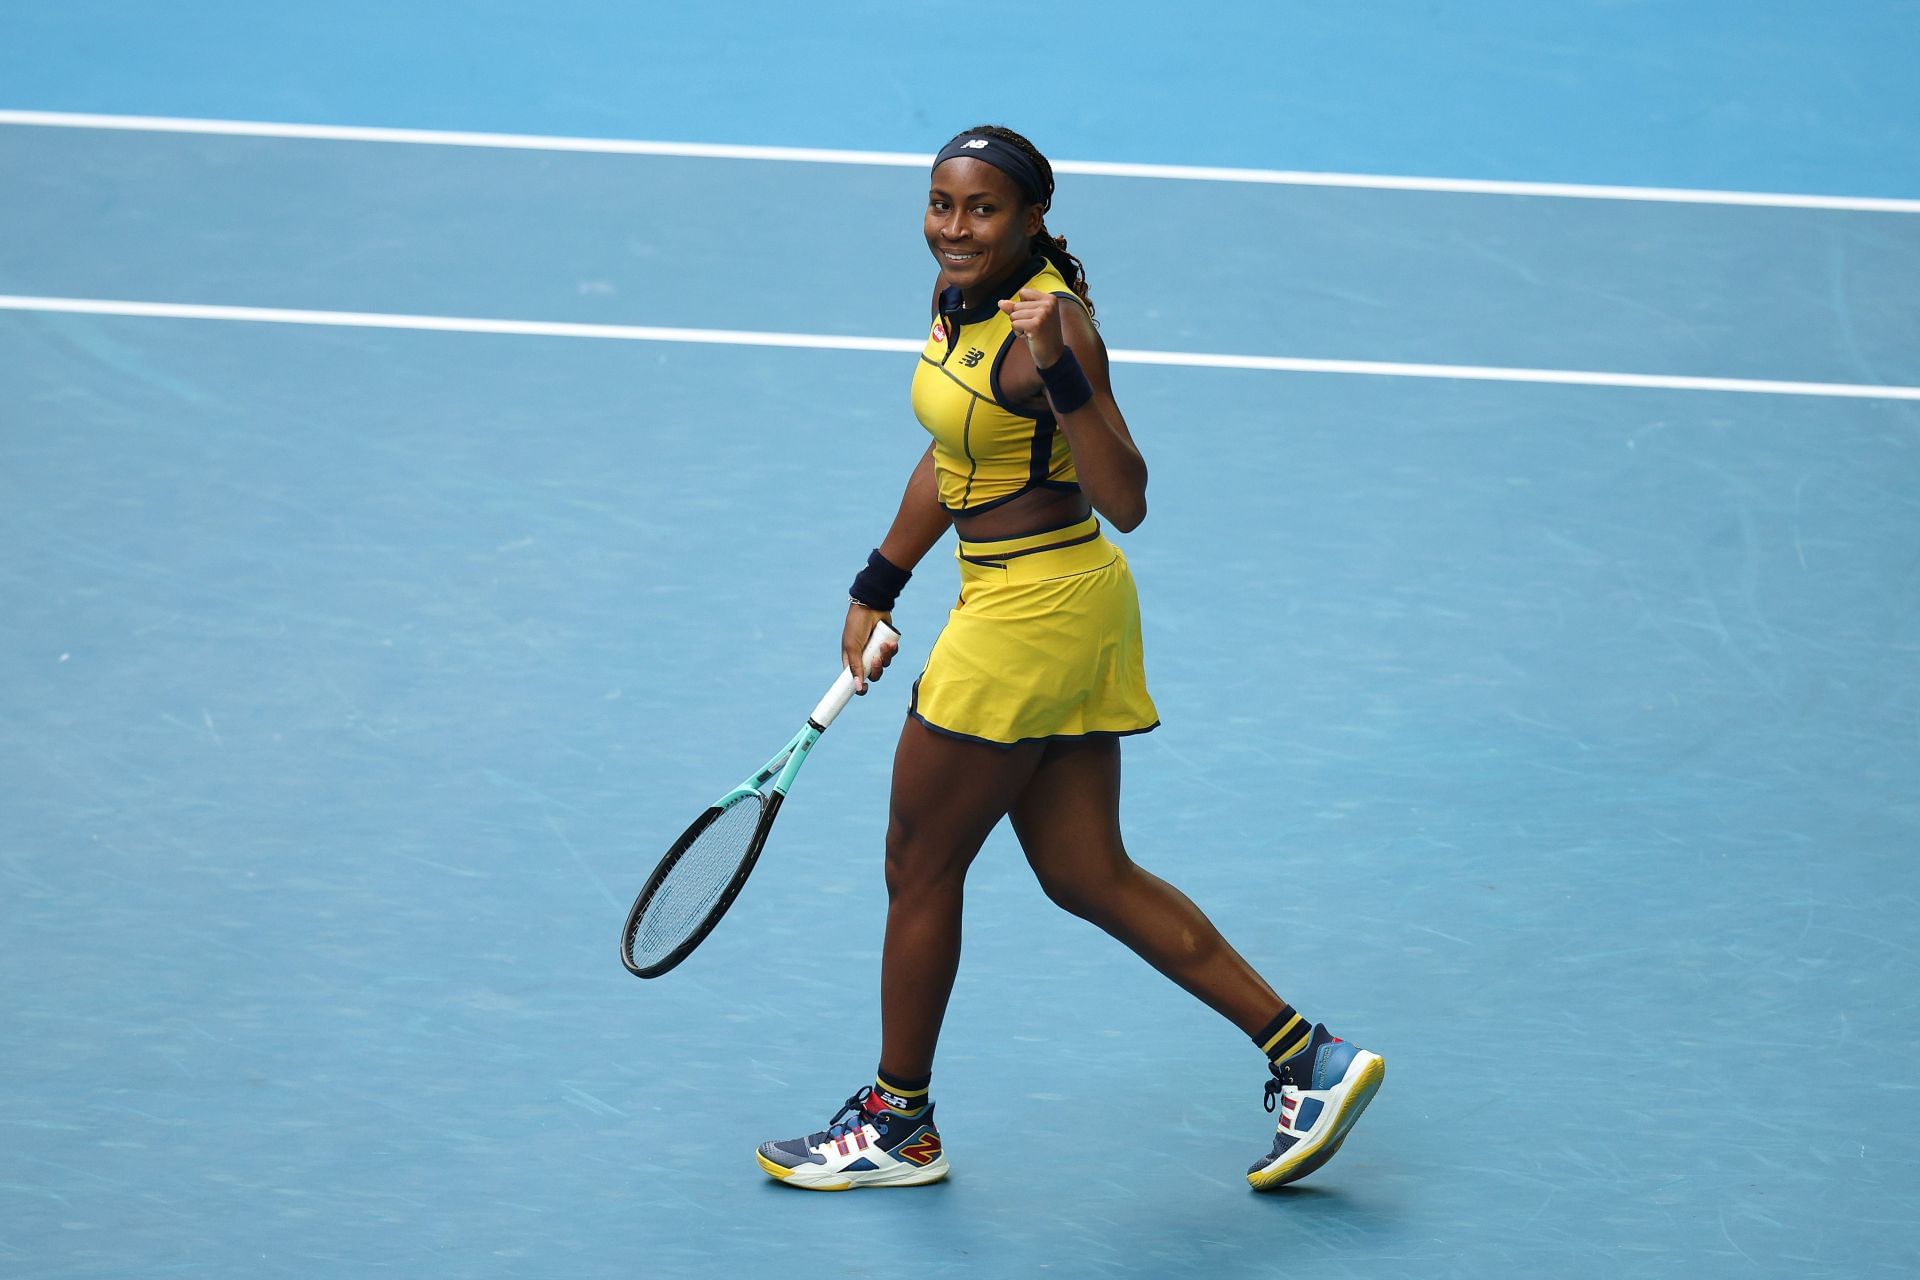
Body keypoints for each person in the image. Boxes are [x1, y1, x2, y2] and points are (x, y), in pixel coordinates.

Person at [754, 125, 1383, 1192]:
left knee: (920, 862)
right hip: (1050, 603)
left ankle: (898, 1120)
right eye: (942, 203)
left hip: (1032, 615)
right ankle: (1306, 1059)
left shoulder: (1053, 332)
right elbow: (956, 449)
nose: (955, 227)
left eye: (983, 209)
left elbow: (1128, 497)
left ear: (1034, 217)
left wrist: (1060, 370)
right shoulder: (962, 298)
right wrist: (877, 580)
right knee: (1087, 870)